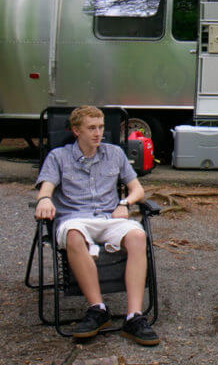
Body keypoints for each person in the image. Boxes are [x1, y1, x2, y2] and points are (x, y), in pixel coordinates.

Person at [34, 106, 158, 345]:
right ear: (76, 130)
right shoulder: (58, 157)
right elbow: (46, 189)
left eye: (101, 127)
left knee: (137, 236)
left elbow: (138, 190)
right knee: (73, 235)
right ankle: (98, 309)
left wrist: (125, 202)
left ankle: (134, 316)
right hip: (74, 218)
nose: (98, 133)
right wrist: (45, 200)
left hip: (108, 218)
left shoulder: (115, 154)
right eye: (91, 128)